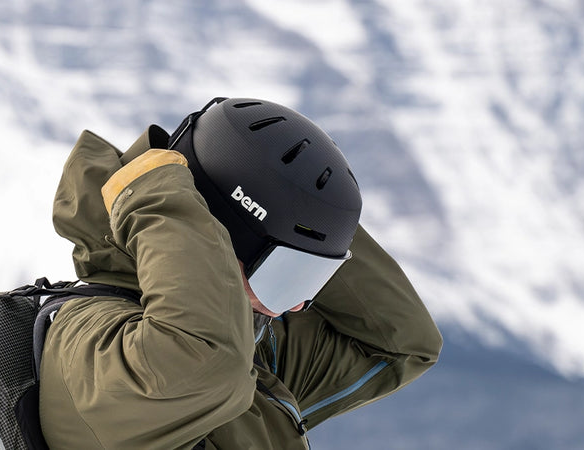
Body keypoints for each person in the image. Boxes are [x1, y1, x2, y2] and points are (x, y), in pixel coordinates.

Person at [39, 97, 443, 449]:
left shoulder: (255, 347)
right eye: (286, 277)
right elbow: (203, 359)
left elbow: (402, 343)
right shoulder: (95, 347)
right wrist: (159, 197)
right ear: (212, 247)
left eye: (312, 278)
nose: (298, 305)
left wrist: (318, 220)